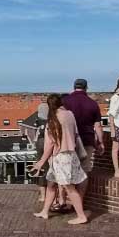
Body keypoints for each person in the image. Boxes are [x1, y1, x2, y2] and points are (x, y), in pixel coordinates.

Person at [29, 94, 90, 225]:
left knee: (69, 187)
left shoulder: (53, 120)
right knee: (51, 183)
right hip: (71, 154)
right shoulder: (70, 114)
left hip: (61, 157)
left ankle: (81, 216)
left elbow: (50, 144)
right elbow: (75, 133)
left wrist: (41, 162)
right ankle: (45, 211)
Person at [62, 79, 102, 176]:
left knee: (68, 169)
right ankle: (81, 192)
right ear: (86, 88)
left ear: (74, 87)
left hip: (68, 140)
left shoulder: (64, 102)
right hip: (87, 139)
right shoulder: (93, 103)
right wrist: (100, 142)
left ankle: (70, 191)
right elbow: (98, 126)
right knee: (84, 170)